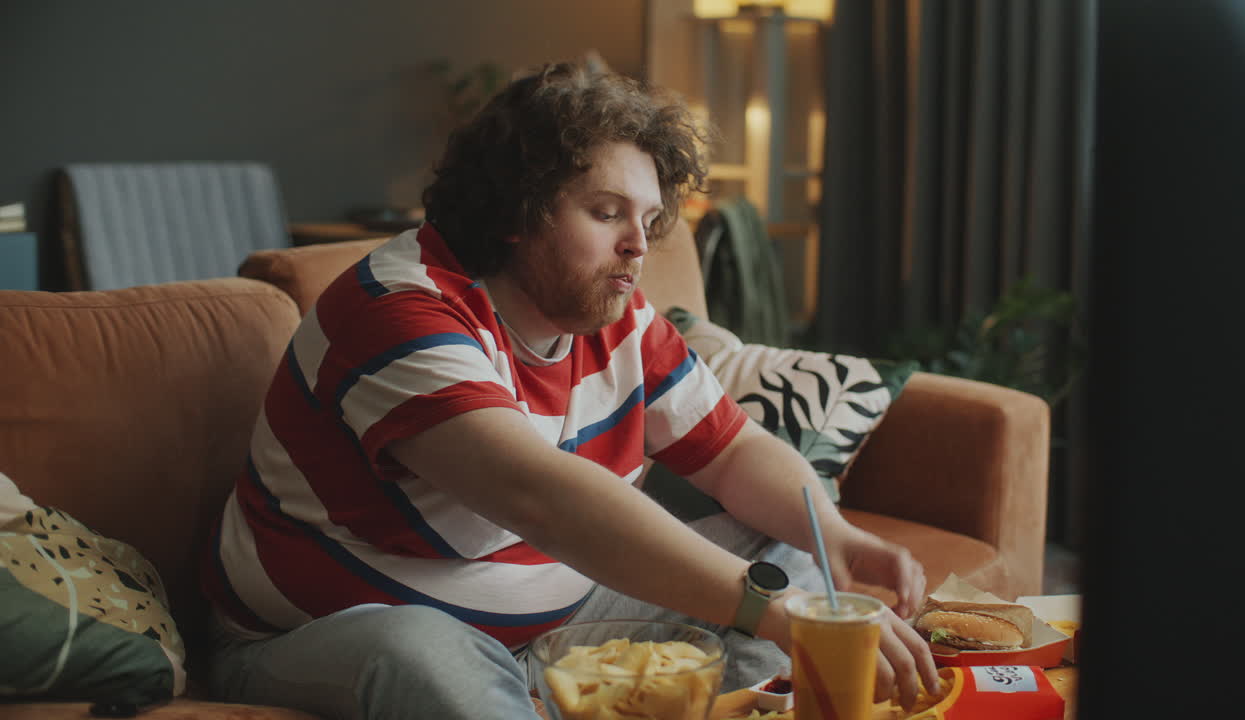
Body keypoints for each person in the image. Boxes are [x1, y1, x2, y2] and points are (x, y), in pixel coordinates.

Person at [201, 61, 939, 720]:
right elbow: (545, 501)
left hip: (556, 618)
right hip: (323, 636)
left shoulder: (612, 312)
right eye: (607, 212)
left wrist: (838, 541)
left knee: (792, 547)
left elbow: (734, 451)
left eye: (648, 220)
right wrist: (775, 612)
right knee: (420, 650)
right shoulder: (399, 310)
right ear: (519, 211)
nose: (639, 245)